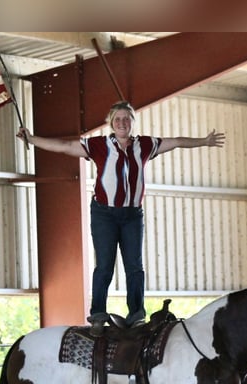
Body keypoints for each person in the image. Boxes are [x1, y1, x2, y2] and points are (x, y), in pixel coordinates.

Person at [17, 100, 225, 333]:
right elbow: (65, 146)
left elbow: (176, 142)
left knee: (134, 266)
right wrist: (32, 139)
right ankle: (97, 314)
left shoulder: (145, 145)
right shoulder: (98, 145)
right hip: (104, 213)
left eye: (127, 119)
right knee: (104, 265)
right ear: (111, 123)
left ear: (133, 122)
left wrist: (204, 142)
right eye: (118, 119)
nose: (122, 123)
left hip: (132, 215)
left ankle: (136, 314)